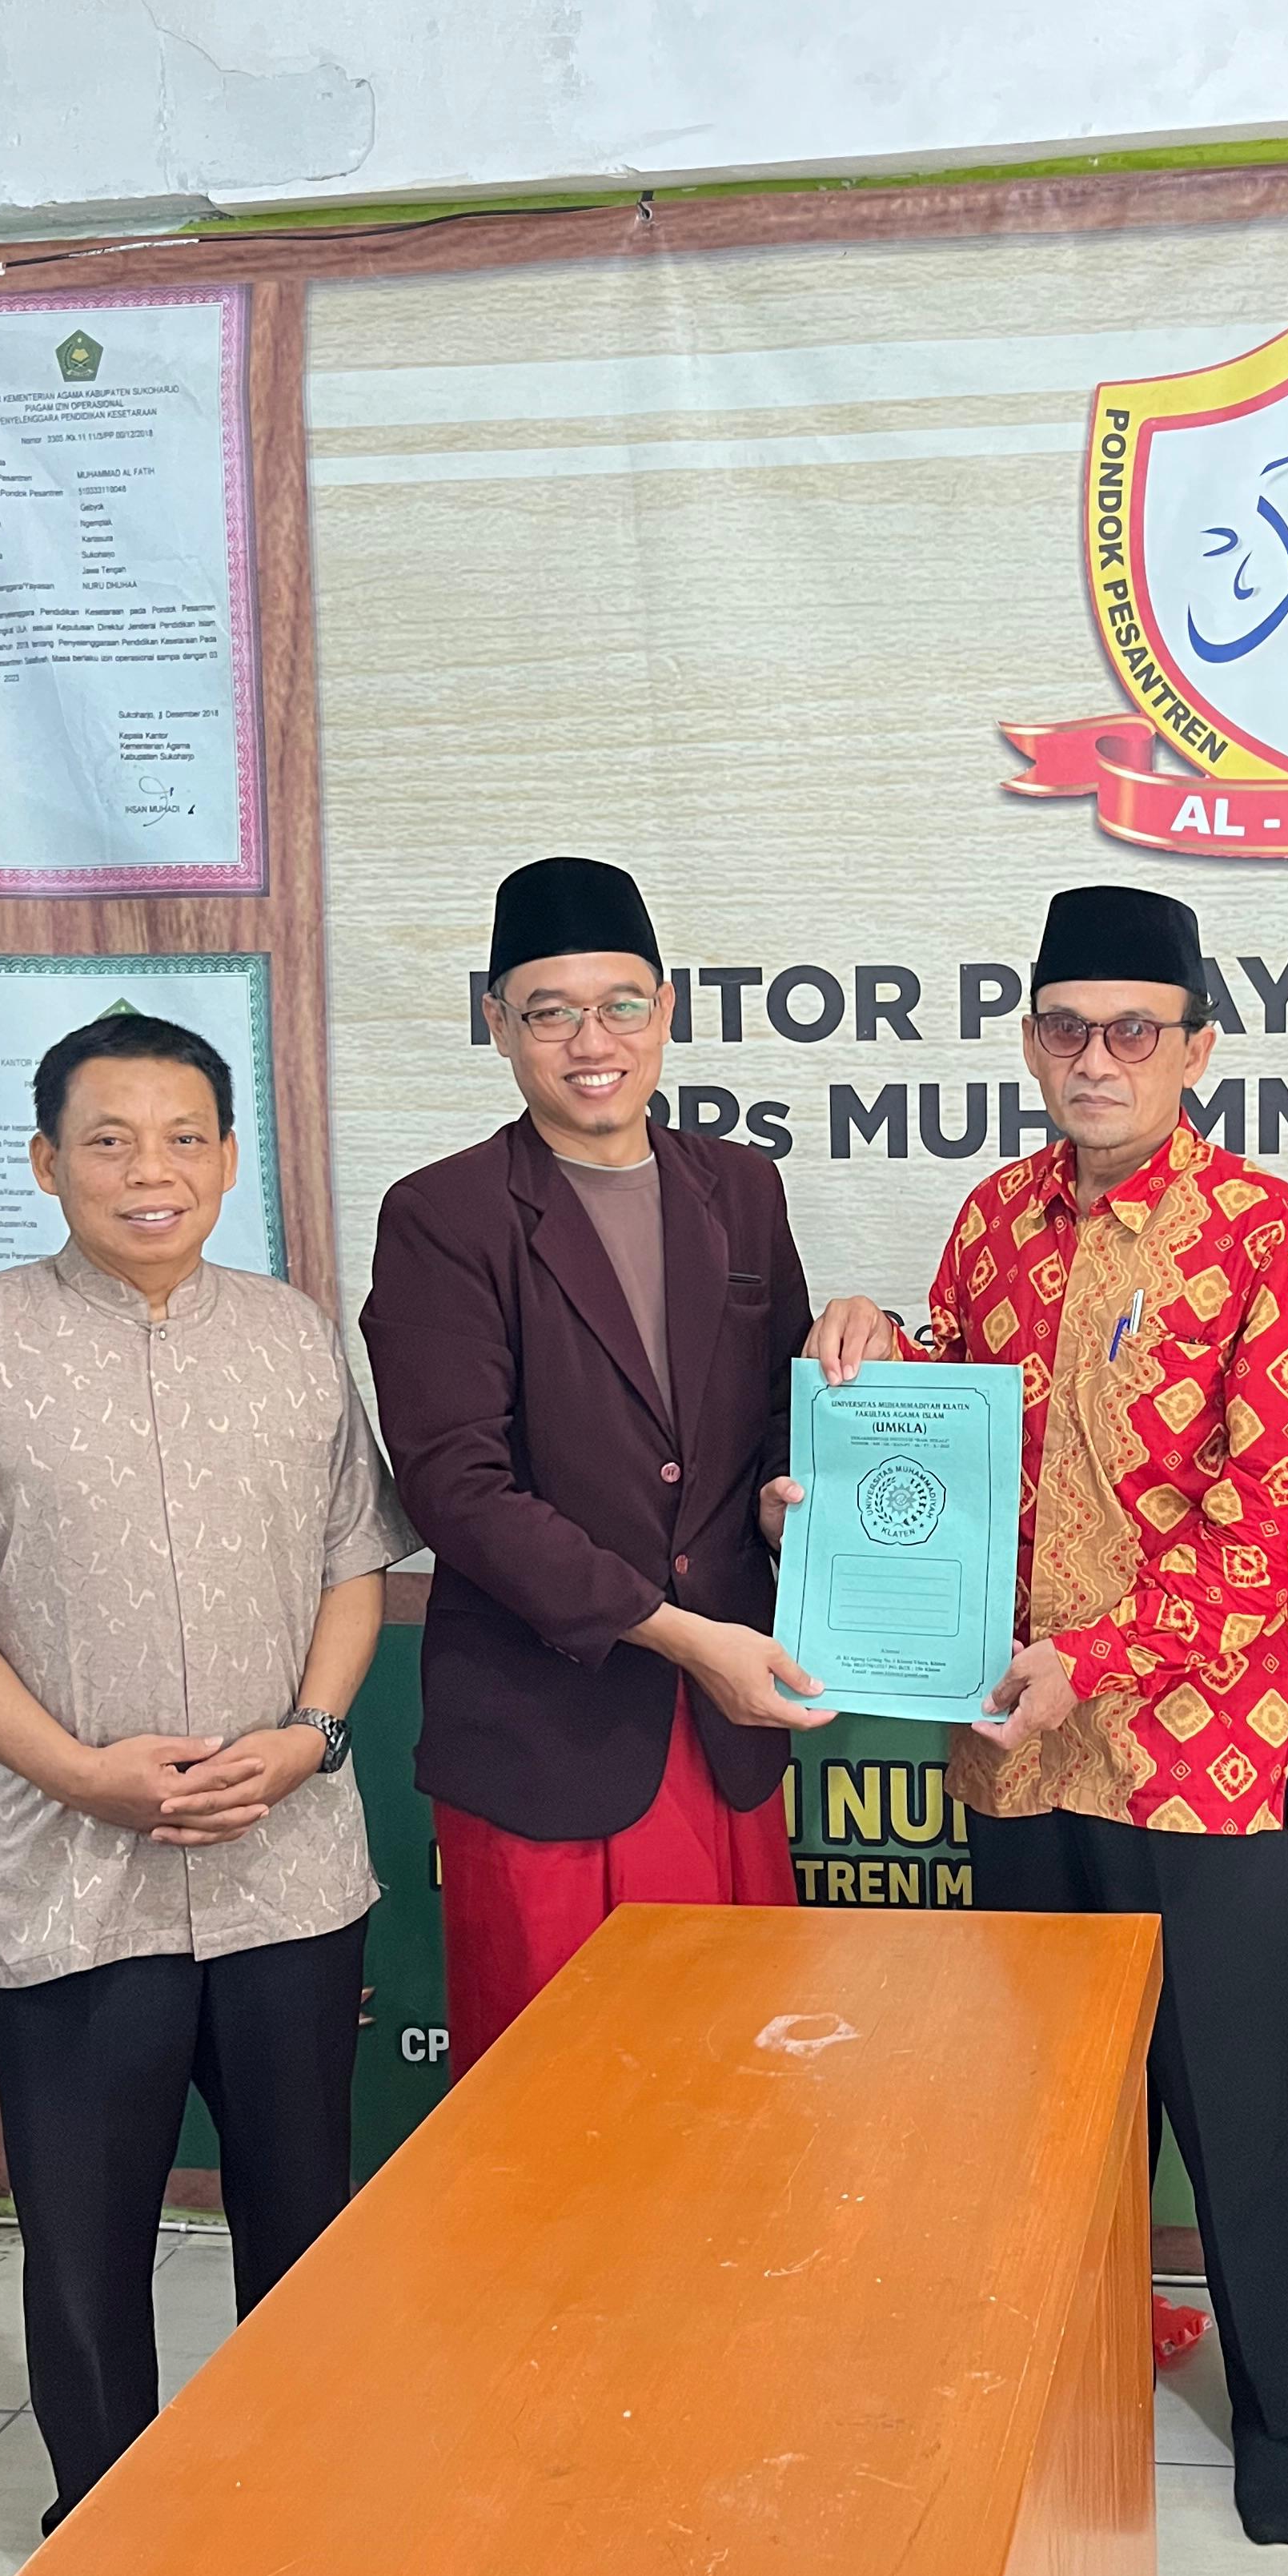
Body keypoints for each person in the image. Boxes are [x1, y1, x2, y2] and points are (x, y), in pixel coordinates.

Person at [810, 883, 1288, 2544]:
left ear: (1198, 1048)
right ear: (1032, 1041)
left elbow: (1267, 1533)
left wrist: (1098, 1658)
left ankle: (1279, 2411)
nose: (1096, 1059)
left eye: (1133, 1030)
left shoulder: (1273, 1235)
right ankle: (1073, 2369)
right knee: (1046, 2111)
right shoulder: (992, 1222)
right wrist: (866, 1367)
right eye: (1066, 1028)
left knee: (1231, 2104)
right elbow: (947, 1434)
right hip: (1017, 1754)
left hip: (1201, 1764)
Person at [0, 1012, 411, 2528]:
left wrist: (312, 1735)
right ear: (46, 1163)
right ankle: (101, 2528)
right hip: (73, 1879)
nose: (148, 1172)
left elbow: (352, 1563)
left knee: (302, 2216)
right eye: (108, 1141)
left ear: (228, 1160)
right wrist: (80, 1775)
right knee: (86, 2243)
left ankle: (298, 2498)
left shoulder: (294, 1333)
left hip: (287, 1872)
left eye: (181, 1140)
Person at [362, 857, 826, 2073]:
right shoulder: (444, 1215)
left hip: (724, 1739)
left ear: (665, 1009)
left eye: (620, 1004)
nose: (592, 1042)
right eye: (550, 1012)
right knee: (561, 2101)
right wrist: (680, 1636)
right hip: (548, 1742)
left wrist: (787, 1510)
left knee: (737, 2081)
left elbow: (778, 1413)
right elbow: (456, 1489)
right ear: (497, 1024)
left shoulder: (741, 1187)